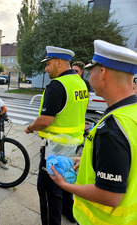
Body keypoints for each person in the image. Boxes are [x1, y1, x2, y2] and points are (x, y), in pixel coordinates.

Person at [50, 40, 137, 225]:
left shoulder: (113, 129)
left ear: (103, 72)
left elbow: (110, 196)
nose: (89, 76)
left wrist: (65, 185)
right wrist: (91, 160)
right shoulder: (131, 111)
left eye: (91, 71)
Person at [24, 46, 88, 225]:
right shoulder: (80, 82)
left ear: (59, 62)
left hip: (54, 147)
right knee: (67, 181)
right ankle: (70, 213)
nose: (46, 68)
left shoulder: (57, 85)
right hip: (73, 145)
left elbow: (45, 120)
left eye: (49, 64)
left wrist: (30, 127)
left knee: (48, 189)